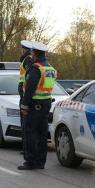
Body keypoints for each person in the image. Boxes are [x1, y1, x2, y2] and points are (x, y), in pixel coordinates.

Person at [19, 41, 56, 170]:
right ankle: (40, 162)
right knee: (41, 135)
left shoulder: (36, 68)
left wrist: (24, 106)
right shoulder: (50, 68)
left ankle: (30, 162)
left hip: (34, 106)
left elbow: (29, 89)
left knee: (30, 133)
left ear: (34, 53)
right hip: (45, 105)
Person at [18, 40, 34, 158]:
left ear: (24, 49)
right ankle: (26, 148)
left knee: (25, 123)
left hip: (25, 93)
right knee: (24, 123)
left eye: (21, 48)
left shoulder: (27, 59)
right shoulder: (27, 59)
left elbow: (29, 77)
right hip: (23, 92)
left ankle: (27, 149)